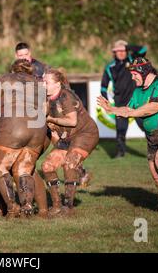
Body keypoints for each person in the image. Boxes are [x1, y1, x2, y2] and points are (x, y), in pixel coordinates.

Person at [98, 57, 158, 214]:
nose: (132, 78)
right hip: (154, 135)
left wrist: (132, 112)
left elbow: (154, 107)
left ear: (144, 72)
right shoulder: (137, 91)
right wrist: (112, 110)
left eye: (134, 74)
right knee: (155, 172)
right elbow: (127, 110)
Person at [0, 63, 49, 218]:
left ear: (13, 70)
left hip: (15, 128)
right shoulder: (37, 83)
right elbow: (45, 109)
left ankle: (12, 207)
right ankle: (27, 205)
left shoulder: (7, 78)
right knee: (24, 170)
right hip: (38, 130)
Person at [42, 68, 99, 216]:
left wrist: (50, 120)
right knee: (47, 166)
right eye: (42, 81)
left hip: (85, 134)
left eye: (46, 82)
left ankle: (68, 206)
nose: (43, 84)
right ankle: (56, 206)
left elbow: (72, 121)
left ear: (57, 84)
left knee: (70, 163)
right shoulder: (45, 98)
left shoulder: (66, 96)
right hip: (67, 138)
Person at [100, 40, 147, 158]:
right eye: (118, 51)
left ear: (127, 51)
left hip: (137, 102)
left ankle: (155, 149)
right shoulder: (109, 67)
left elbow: (143, 49)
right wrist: (106, 102)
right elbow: (103, 87)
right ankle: (120, 153)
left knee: (146, 126)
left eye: (123, 50)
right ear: (114, 53)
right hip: (120, 104)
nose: (121, 53)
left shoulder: (133, 60)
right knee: (121, 130)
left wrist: (128, 46)